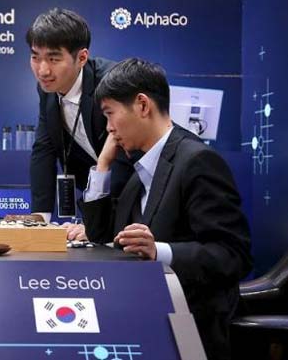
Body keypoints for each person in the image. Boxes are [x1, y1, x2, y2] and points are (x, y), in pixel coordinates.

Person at [80, 58, 253, 360]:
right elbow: (101, 237)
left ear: (142, 105)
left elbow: (233, 255)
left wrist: (159, 251)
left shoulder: (198, 161)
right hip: (144, 318)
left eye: (110, 114)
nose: (108, 128)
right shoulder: (138, 171)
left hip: (191, 329)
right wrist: (103, 166)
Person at [26, 8, 134, 239]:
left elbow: (127, 157)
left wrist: (96, 224)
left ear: (82, 58)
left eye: (53, 59)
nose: (43, 70)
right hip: (98, 190)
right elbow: (43, 149)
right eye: (36, 57)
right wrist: (38, 222)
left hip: (136, 195)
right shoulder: (47, 89)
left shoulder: (113, 83)